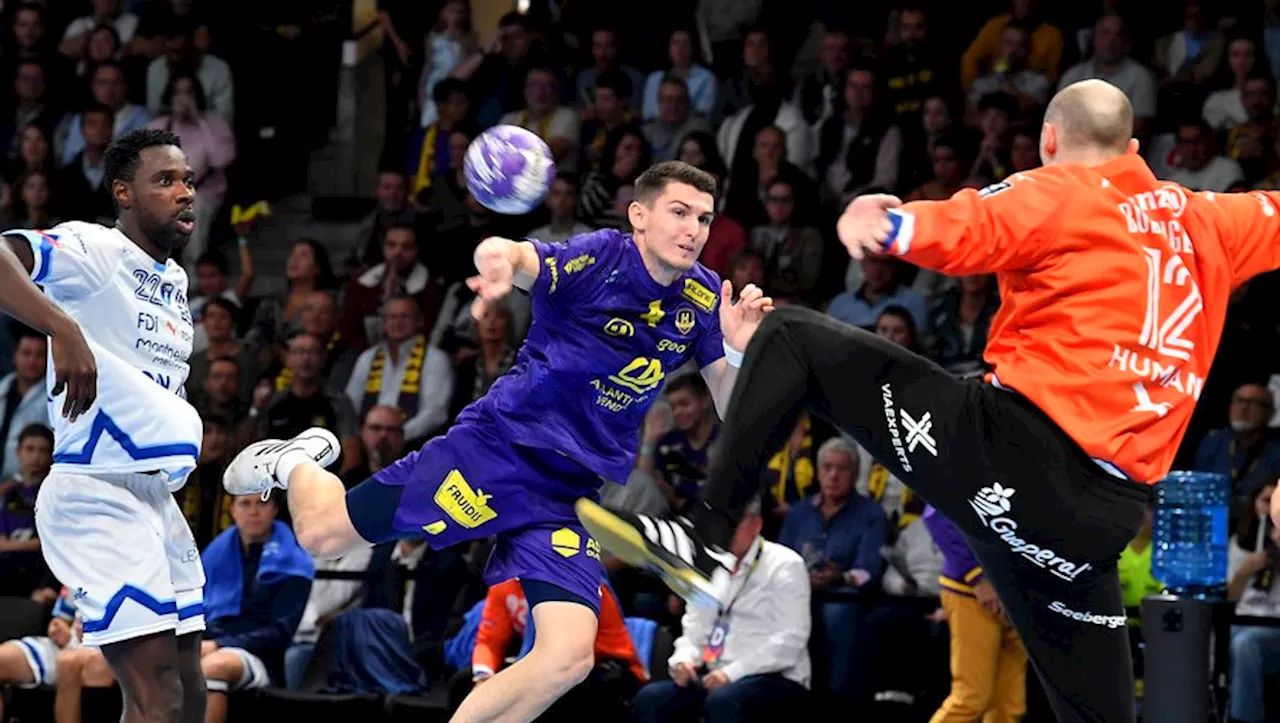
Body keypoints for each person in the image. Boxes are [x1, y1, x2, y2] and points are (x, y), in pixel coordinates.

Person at [581, 79, 1280, 723]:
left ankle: (704, 537)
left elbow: (968, 225)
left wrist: (886, 223)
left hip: (1014, 456)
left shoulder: (1061, 188)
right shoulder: (1213, 219)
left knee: (791, 334)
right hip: (1100, 519)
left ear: (1046, 144)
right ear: (1134, 151)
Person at [220, 160, 772, 723]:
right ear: (639, 215)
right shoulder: (602, 258)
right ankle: (295, 462)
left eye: (703, 218)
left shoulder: (705, 298)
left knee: (568, 657)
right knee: (321, 534)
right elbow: (511, 252)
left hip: (571, 491)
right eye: (679, 213)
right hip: (497, 453)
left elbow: (731, 407)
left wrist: (736, 351)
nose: (693, 230)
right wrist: (500, 266)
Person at [0, 129, 309, 723]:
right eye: (165, 181)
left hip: (155, 499)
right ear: (123, 193)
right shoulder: (92, 249)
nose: (185, 192)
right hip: (97, 491)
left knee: (190, 692)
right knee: (157, 697)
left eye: (189, 180)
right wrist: (60, 329)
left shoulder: (172, 283)